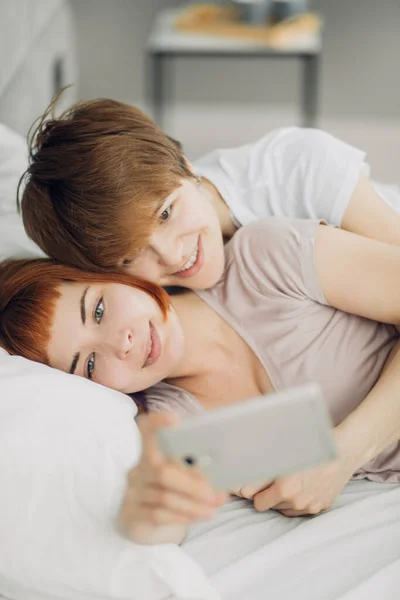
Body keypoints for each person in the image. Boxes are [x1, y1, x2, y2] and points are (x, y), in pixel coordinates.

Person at [2, 217, 400, 546]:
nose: (120, 344)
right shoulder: (174, 423)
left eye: (100, 309)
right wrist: (146, 514)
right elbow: (163, 522)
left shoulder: (263, 260)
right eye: (88, 364)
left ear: (108, 274)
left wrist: (346, 451)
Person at [17, 97, 400, 291]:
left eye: (166, 213)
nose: (171, 255)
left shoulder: (299, 166)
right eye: (130, 256)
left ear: (186, 165)